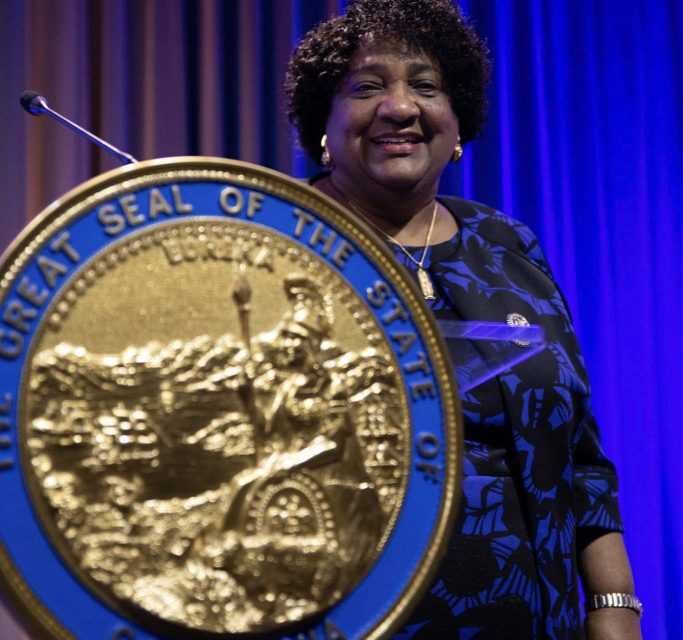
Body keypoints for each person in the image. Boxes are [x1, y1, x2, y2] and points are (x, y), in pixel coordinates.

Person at [285, 0, 642, 638]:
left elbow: (579, 455)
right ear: (324, 124)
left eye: (426, 86)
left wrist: (613, 610)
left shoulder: (507, 244)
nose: (400, 107)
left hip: (537, 622)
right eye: (367, 88)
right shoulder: (274, 245)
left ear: (458, 123)